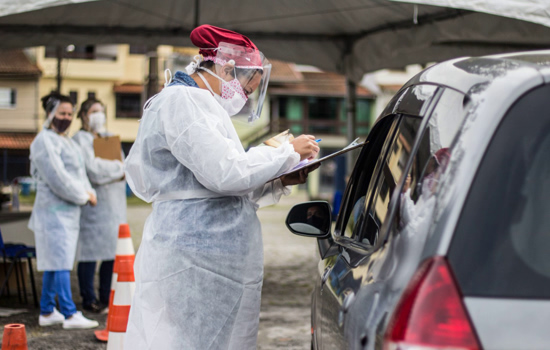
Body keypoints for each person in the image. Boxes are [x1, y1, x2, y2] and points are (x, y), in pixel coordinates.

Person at [123, 25, 320, 349]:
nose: (244, 96)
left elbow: (223, 182)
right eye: (245, 86)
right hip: (192, 257)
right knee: (186, 341)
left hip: (207, 255)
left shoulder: (200, 103)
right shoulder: (182, 102)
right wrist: (285, 152)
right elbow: (226, 173)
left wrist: (280, 176)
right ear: (225, 67)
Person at [28, 92, 99, 329]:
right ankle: (69, 313)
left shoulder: (65, 141)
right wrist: (83, 196)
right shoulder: (44, 141)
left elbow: (78, 174)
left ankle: (47, 310)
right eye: (62, 113)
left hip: (67, 213)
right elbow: (58, 178)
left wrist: (90, 192)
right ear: (50, 114)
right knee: (60, 262)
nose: (66, 118)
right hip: (53, 213)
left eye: (70, 114)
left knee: (54, 261)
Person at [73, 98, 126, 313]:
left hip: (114, 206)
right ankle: (88, 297)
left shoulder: (108, 138)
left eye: (102, 111)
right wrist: (117, 170)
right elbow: (93, 170)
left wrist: (115, 170)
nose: (99, 115)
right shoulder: (80, 140)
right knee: (89, 254)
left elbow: (125, 166)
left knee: (110, 253)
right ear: (84, 115)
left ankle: (106, 296)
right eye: (94, 111)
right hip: (93, 208)